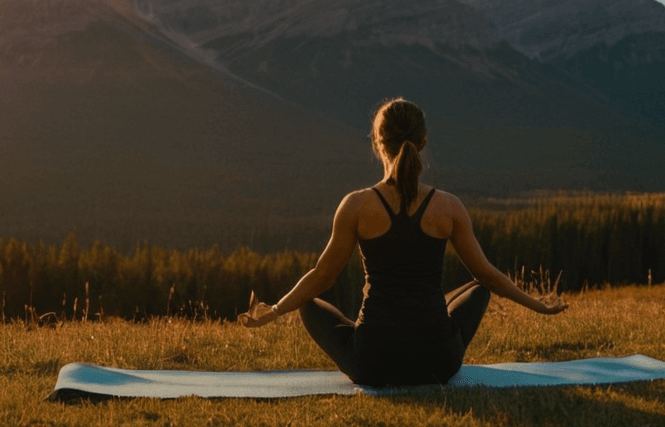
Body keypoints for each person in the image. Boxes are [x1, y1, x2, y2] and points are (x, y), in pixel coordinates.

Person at [238, 98, 568, 386]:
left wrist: (276, 310)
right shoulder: (448, 206)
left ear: (378, 143)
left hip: (372, 363)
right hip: (438, 363)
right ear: (422, 141)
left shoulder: (356, 205)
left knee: (306, 303)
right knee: (479, 288)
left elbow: (322, 276)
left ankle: (369, 333)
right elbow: (486, 274)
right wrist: (538, 305)